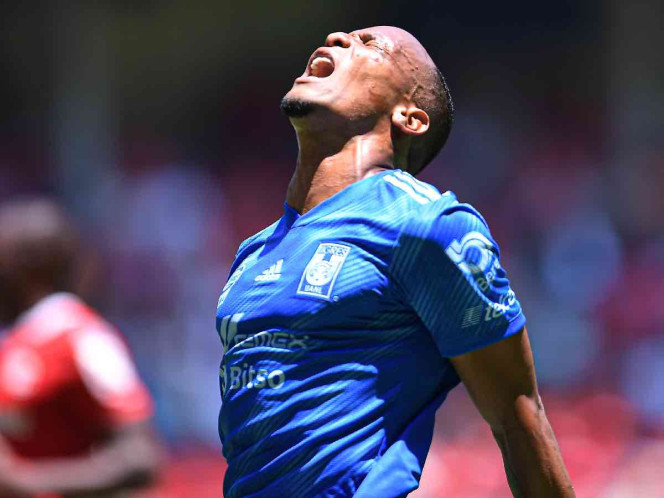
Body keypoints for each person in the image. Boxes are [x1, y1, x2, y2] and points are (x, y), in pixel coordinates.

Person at [216, 26, 574, 497]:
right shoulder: (253, 253)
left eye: (370, 44)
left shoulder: (424, 224)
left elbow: (518, 415)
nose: (338, 37)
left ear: (410, 116)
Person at [0, 198, 161, 497]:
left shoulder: (83, 337)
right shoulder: (16, 341)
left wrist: (24, 482)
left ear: (29, 264)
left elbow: (140, 457)